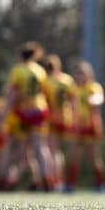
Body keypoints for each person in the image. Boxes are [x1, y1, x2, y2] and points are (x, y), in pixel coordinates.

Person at [0, 41, 54, 191]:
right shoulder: (40, 71)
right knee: (40, 147)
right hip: (39, 110)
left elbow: (13, 94)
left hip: (23, 111)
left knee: (11, 146)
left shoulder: (18, 70)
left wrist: (4, 114)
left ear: (21, 56)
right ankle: (47, 181)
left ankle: (2, 180)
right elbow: (45, 93)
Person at [65, 61, 105, 192]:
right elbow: (69, 104)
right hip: (77, 126)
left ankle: (101, 184)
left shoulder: (93, 87)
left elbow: (99, 98)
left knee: (94, 157)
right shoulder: (73, 88)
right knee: (74, 156)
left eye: (82, 73)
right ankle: (70, 185)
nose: (79, 76)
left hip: (91, 127)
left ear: (88, 74)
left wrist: (93, 100)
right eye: (77, 73)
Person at [43, 54, 76, 190]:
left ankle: (55, 180)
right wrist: (75, 117)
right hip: (67, 118)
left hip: (52, 119)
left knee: (53, 151)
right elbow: (73, 101)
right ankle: (63, 181)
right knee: (64, 152)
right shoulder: (67, 79)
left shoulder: (46, 81)